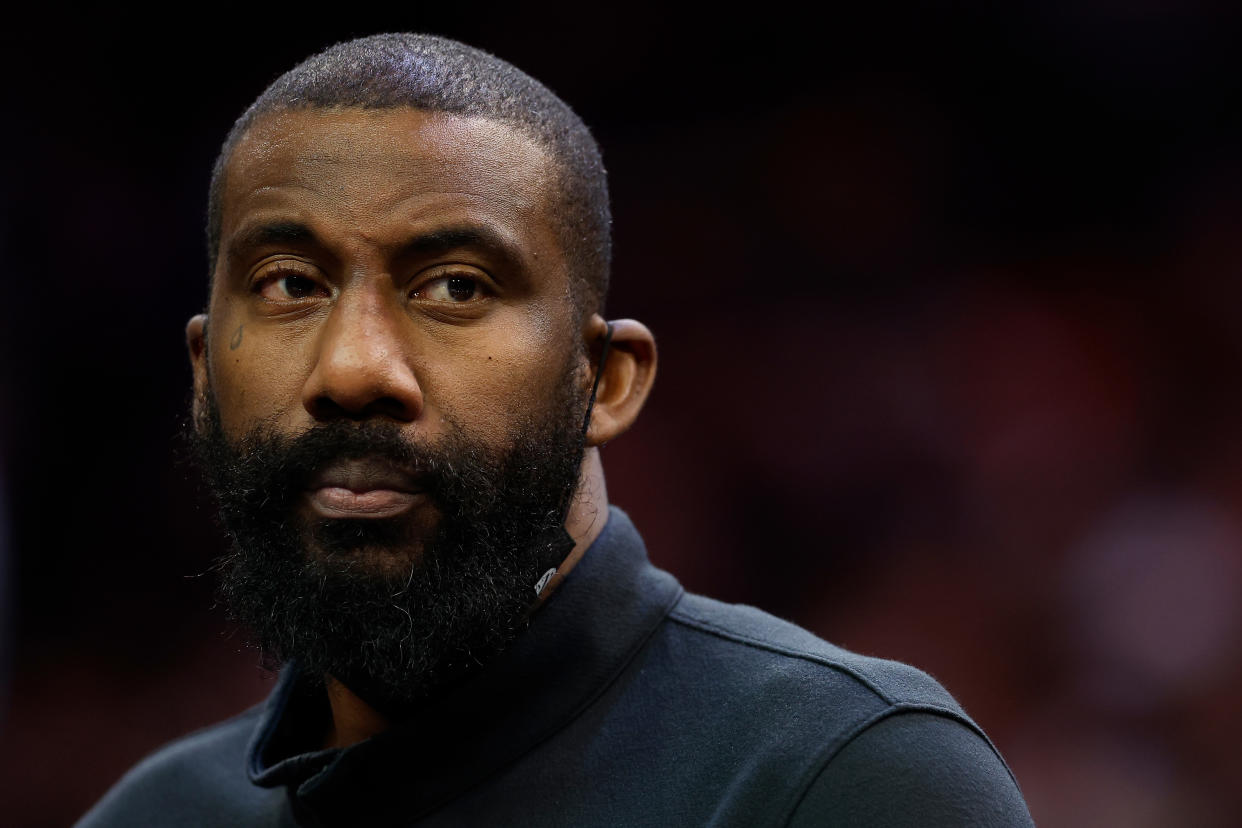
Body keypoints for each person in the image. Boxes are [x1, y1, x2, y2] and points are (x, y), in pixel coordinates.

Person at [77, 33, 1034, 827]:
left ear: (605, 382)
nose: (352, 368)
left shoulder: (842, 782)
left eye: (455, 286)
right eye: (290, 284)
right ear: (205, 377)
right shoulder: (152, 817)